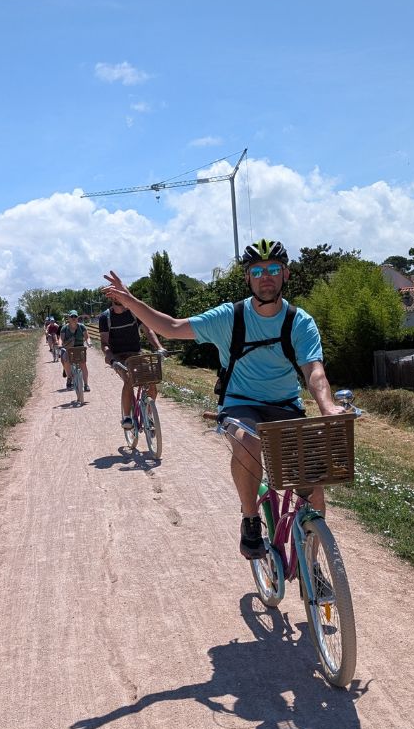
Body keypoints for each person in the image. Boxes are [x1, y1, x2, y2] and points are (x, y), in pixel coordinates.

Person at [103, 239, 346, 560]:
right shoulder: (229, 317)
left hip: (285, 407)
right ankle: (250, 517)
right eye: (257, 271)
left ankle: (314, 565)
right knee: (249, 442)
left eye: (273, 269)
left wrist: (327, 406)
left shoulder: (299, 322)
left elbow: (314, 371)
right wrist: (130, 301)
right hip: (239, 404)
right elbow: (173, 328)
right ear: (247, 278)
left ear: (286, 273)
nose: (266, 276)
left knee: (314, 491)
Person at [98, 296, 163, 431]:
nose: (118, 298)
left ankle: (149, 416)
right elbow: (104, 344)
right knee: (129, 379)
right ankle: (127, 417)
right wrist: (112, 360)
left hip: (136, 354)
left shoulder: (134, 312)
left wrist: (159, 347)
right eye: (114, 295)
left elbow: (148, 330)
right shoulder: (105, 317)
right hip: (118, 356)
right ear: (110, 298)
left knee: (151, 380)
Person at [59, 310, 90, 391]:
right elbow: (61, 339)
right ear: (68, 318)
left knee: (83, 364)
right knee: (65, 358)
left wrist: (89, 343)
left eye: (75, 316)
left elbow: (87, 337)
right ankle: (69, 377)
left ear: (77, 318)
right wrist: (60, 344)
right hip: (69, 349)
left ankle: (86, 384)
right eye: (71, 316)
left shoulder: (82, 327)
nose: (73, 318)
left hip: (80, 348)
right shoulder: (64, 328)